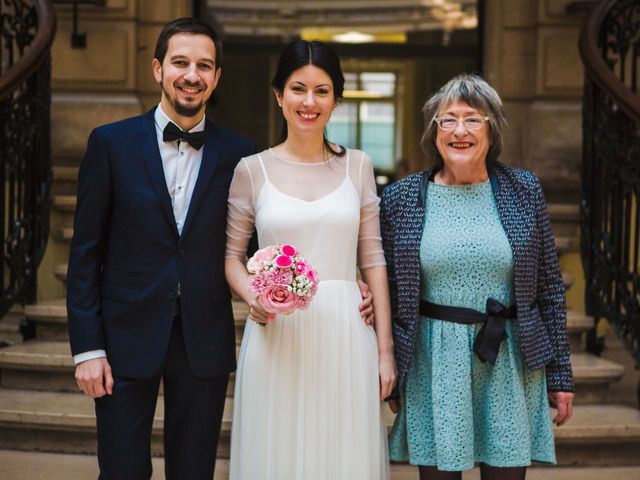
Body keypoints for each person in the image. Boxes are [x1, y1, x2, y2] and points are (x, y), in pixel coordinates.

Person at [66, 18, 256, 480]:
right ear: (157, 69)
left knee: (193, 472)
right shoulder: (110, 143)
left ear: (216, 77)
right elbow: (86, 255)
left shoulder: (242, 155)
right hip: (123, 336)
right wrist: (87, 349)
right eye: (181, 62)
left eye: (204, 65)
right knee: (122, 470)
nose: (192, 75)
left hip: (202, 339)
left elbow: (259, 248)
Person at [381, 74, 575, 480]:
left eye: (473, 119)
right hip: (434, 362)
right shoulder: (402, 197)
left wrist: (560, 375)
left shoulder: (523, 188)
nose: (459, 131)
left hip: (509, 361)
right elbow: (390, 286)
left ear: (492, 128)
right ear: (434, 133)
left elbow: (550, 289)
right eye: (447, 120)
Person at [225, 39, 396, 479]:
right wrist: (253, 296)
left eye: (322, 91)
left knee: (343, 456)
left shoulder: (358, 166)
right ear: (279, 95)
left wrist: (384, 351)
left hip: (346, 329)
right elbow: (230, 257)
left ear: (336, 99)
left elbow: (373, 258)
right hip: (276, 334)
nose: (309, 101)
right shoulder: (251, 170)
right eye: (298, 89)